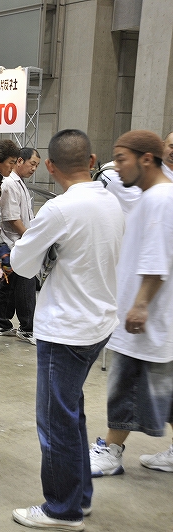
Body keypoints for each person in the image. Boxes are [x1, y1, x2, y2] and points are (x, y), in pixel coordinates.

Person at [9, 129, 124, 531]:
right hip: (98, 324)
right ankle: (80, 498)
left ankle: (62, 509)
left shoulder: (58, 209)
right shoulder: (111, 199)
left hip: (66, 329)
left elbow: (22, 265)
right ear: (92, 161)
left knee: (56, 421)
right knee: (71, 413)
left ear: (52, 167)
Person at [86, 131, 173, 478]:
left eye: (121, 159)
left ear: (146, 159)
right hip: (153, 313)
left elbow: (156, 260)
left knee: (127, 382)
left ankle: (111, 450)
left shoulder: (159, 199)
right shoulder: (155, 195)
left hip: (146, 316)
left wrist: (139, 306)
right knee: (164, 386)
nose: (116, 168)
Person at [0, 147, 41, 344]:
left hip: (18, 242)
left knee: (9, 284)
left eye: (36, 165)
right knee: (26, 283)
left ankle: (1, 322)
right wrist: (30, 239)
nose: (34, 168)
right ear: (20, 161)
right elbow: (12, 218)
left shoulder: (19, 183)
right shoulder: (11, 184)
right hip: (15, 242)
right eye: (32, 164)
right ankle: (27, 328)